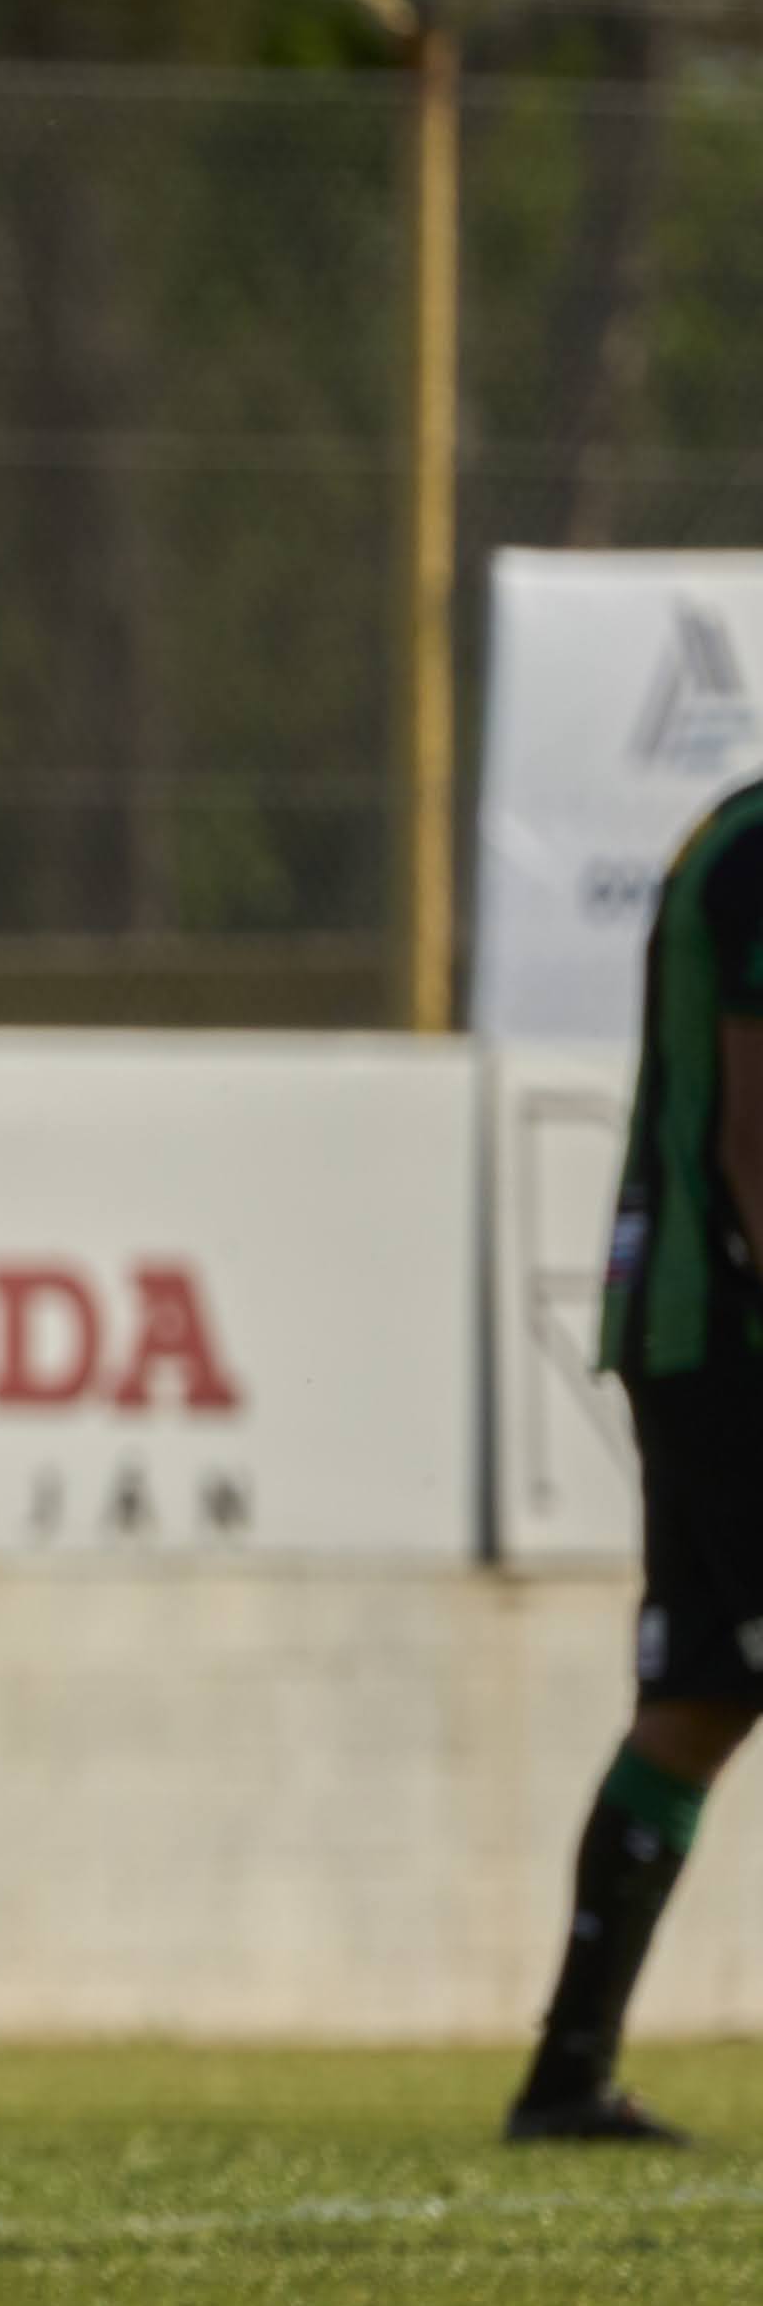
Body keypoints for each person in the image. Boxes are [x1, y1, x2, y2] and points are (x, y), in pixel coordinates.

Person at [506, 769, 763, 2144]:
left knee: (703, 1702)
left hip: (687, 1328)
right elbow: (755, 1133)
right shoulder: (761, 847)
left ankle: (567, 2072)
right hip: (729, 1332)